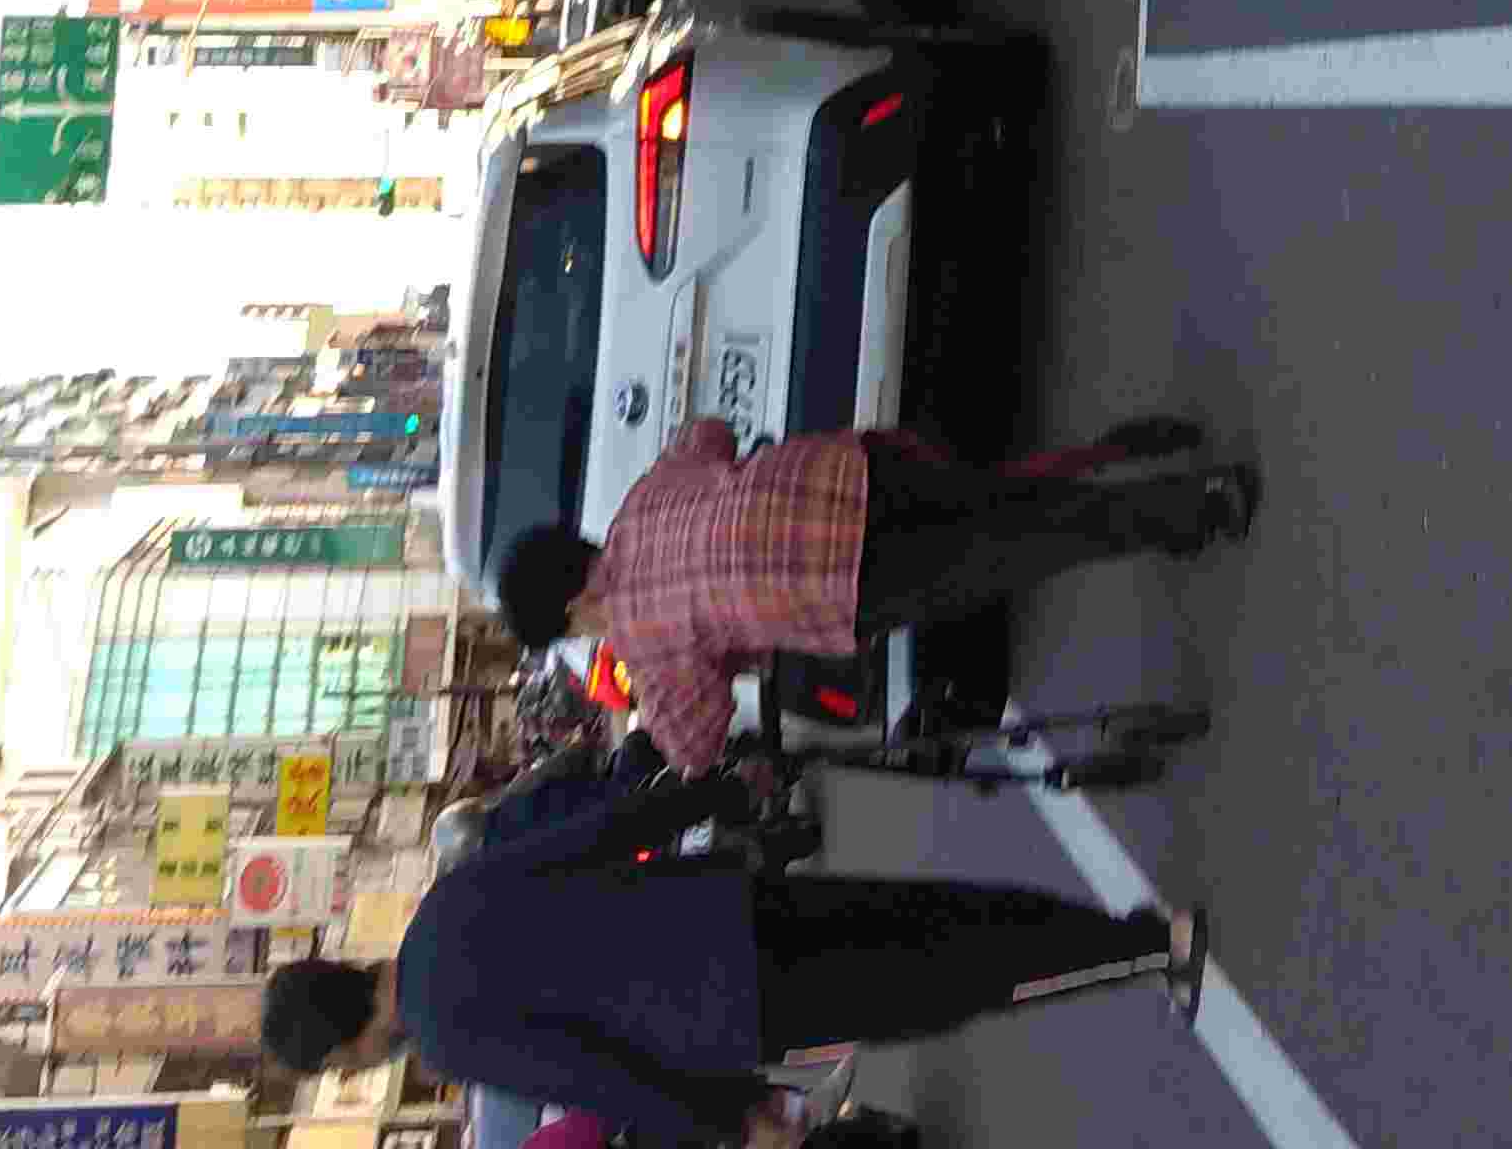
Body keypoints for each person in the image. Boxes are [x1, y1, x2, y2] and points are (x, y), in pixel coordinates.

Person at [256, 784, 1204, 1143]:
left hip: (738, 1010)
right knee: (931, 906)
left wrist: (730, 1118)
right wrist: (705, 796)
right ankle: (1128, 928)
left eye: (340, 1066)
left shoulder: (450, 1039)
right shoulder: (444, 901)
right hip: (724, 905)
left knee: (947, 980)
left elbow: (594, 1074)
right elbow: (594, 834)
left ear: (343, 1049)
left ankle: (1142, 950)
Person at [494, 418, 1254, 781]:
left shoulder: (642, 641)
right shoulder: (640, 503)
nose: (583, 637)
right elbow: (708, 434)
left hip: (846, 580)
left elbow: (695, 743)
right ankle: (1138, 471)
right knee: (1009, 498)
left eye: (569, 630)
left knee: (1028, 546)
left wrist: (650, 749)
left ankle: (1195, 507)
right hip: (847, 472)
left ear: (570, 609)